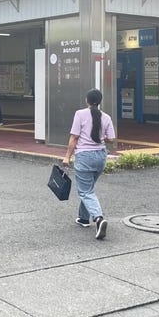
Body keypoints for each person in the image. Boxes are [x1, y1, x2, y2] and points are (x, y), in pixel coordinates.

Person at [62, 89, 116, 240]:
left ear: (87, 100)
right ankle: (83, 218)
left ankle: (98, 218)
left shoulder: (80, 114)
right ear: (100, 101)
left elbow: (74, 137)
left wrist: (67, 157)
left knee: (85, 192)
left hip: (85, 156)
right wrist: (101, 136)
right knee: (88, 189)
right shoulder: (106, 117)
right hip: (100, 157)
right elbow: (111, 139)